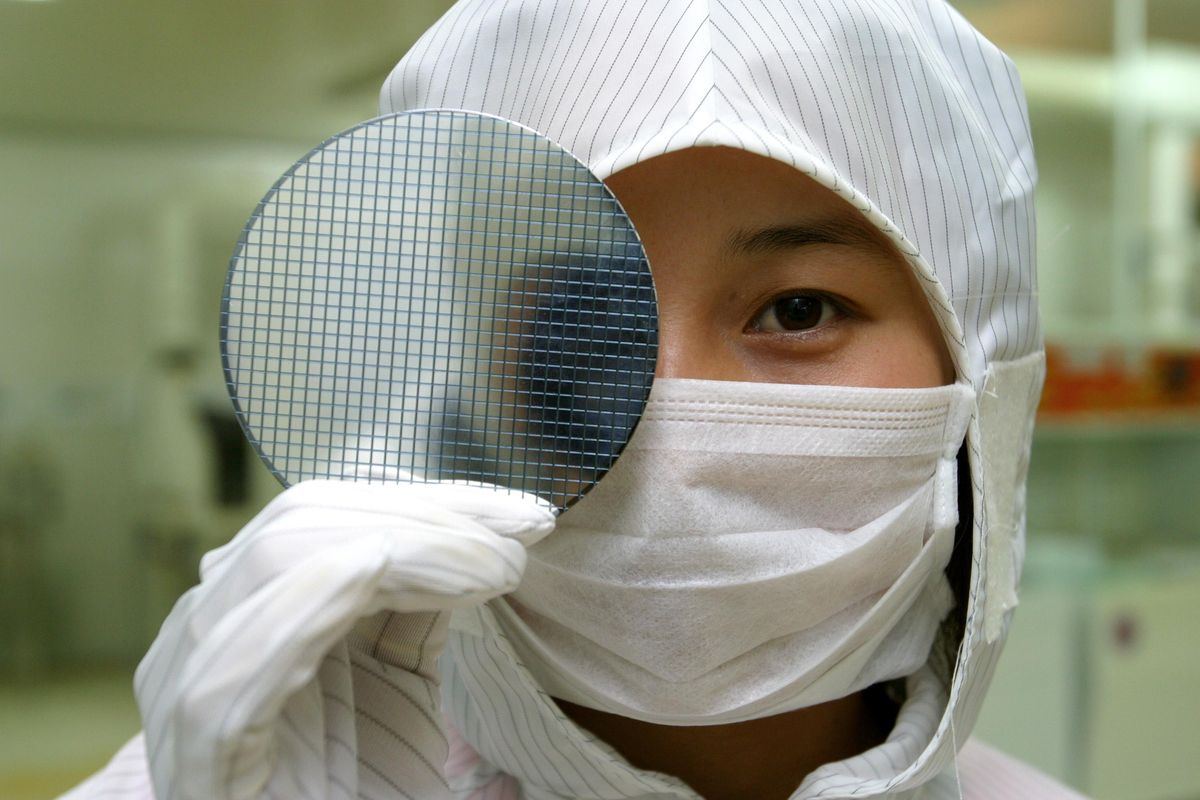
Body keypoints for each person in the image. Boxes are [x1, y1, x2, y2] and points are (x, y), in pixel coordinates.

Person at [64, 0, 1088, 798]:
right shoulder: (222, 779)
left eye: (797, 308)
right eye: (579, 322)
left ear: (978, 368)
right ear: (462, 373)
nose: (671, 420)